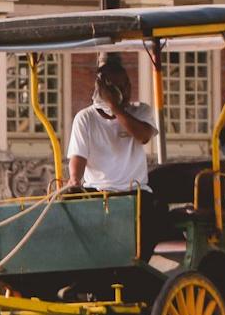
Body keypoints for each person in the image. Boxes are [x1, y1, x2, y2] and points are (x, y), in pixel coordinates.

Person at [62, 57, 170, 260]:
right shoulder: (85, 118)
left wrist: (116, 107)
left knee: (157, 211)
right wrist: (74, 180)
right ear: (103, 88)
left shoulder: (140, 111)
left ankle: (138, 264)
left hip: (135, 193)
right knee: (67, 210)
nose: (126, 90)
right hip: (98, 193)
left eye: (126, 85)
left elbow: (143, 136)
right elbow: (78, 158)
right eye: (119, 87)